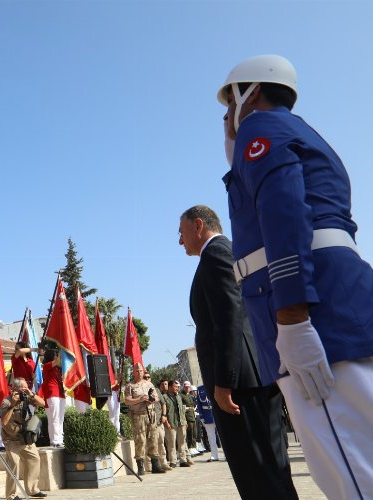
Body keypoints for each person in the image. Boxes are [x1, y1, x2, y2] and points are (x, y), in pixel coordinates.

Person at [218, 54, 373, 499]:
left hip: (313, 315)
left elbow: (284, 215)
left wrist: (292, 317)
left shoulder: (259, 128)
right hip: (341, 304)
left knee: (349, 475)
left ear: (250, 93)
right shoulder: (306, 133)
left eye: (230, 103)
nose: (227, 117)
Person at [180, 205, 297, 497]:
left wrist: (224, 382)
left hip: (240, 388)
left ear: (198, 225)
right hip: (248, 382)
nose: (180, 241)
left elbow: (229, 316)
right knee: (268, 471)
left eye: (181, 232)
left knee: (259, 474)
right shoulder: (220, 254)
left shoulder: (216, 254)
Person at [0, 377, 47, 499]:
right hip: (11, 439)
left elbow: (43, 403)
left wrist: (31, 394)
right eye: (23, 387)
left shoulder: (27, 398)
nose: (25, 389)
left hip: (25, 437)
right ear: (14, 388)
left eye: (26, 387)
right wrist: (13, 405)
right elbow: (4, 422)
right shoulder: (6, 401)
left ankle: (32, 489)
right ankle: (11, 495)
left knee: (35, 459)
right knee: (14, 464)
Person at [123, 362, 166, 475]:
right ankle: (140, 465)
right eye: (137, 371)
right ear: (133, 372)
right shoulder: (130, 386)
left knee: (153, 438)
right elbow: (127, 401)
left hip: (150, 414)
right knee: (140, 440)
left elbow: (156, 397)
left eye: (141, 370)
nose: (139, 372)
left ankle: (155, 465)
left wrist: (151, 398)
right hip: (138, 415)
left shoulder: (149, 384)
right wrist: (140, 399)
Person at [145, 372, 171, 472]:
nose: (147, 379)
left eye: (148, 377)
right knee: (149, 444)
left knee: (161, 443)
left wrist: (164, 416)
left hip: (158, 422)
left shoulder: (156, 390)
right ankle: (149, 466)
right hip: (148, 422)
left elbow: (163, 403)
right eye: (145, 377)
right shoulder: (141, 391)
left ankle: (163, 463)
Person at [38, 349, 64, 447]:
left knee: (60, 418)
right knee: (54, 418)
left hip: (61, 394)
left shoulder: (57, 368)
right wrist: (63, 348)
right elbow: (57, 361)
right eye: (55, 354)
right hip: (52, 393)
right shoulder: (47, 365)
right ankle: (54, 440)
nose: (57, 356)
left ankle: (60, 439)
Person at [163, 380, 189, 468]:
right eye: (175, 387)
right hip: (171, 423)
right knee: (171, 443)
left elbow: (182, 409)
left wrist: (185, 421)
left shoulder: (179, 396)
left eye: (177, 387)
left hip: (181, 422)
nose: (177, 388)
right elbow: (164, 412)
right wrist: (166, 422)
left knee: (182, 442)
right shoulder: (165, 397)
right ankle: (173, 461)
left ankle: (183, 460)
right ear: (170, 387)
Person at [196, 385, 220, 462]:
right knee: (211, 437)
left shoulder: (217, 385)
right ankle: (214, 455)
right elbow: (199, 404)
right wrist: (202, 417)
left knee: (224, 437)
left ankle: (228, 455)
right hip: (207, 416)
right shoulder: (200, 389)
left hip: (217, 414)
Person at [181, 381, 198, 457]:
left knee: (194, 431)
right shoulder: (182, 395)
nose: (187, 388)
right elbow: (183, 407)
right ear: (184, 387)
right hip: (187, 415)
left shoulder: (190, 396)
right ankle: (190, 447)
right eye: (186, 387)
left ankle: (194, 447)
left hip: (192, 414)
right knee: (190, 431)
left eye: (188, 387)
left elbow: (193, 404)